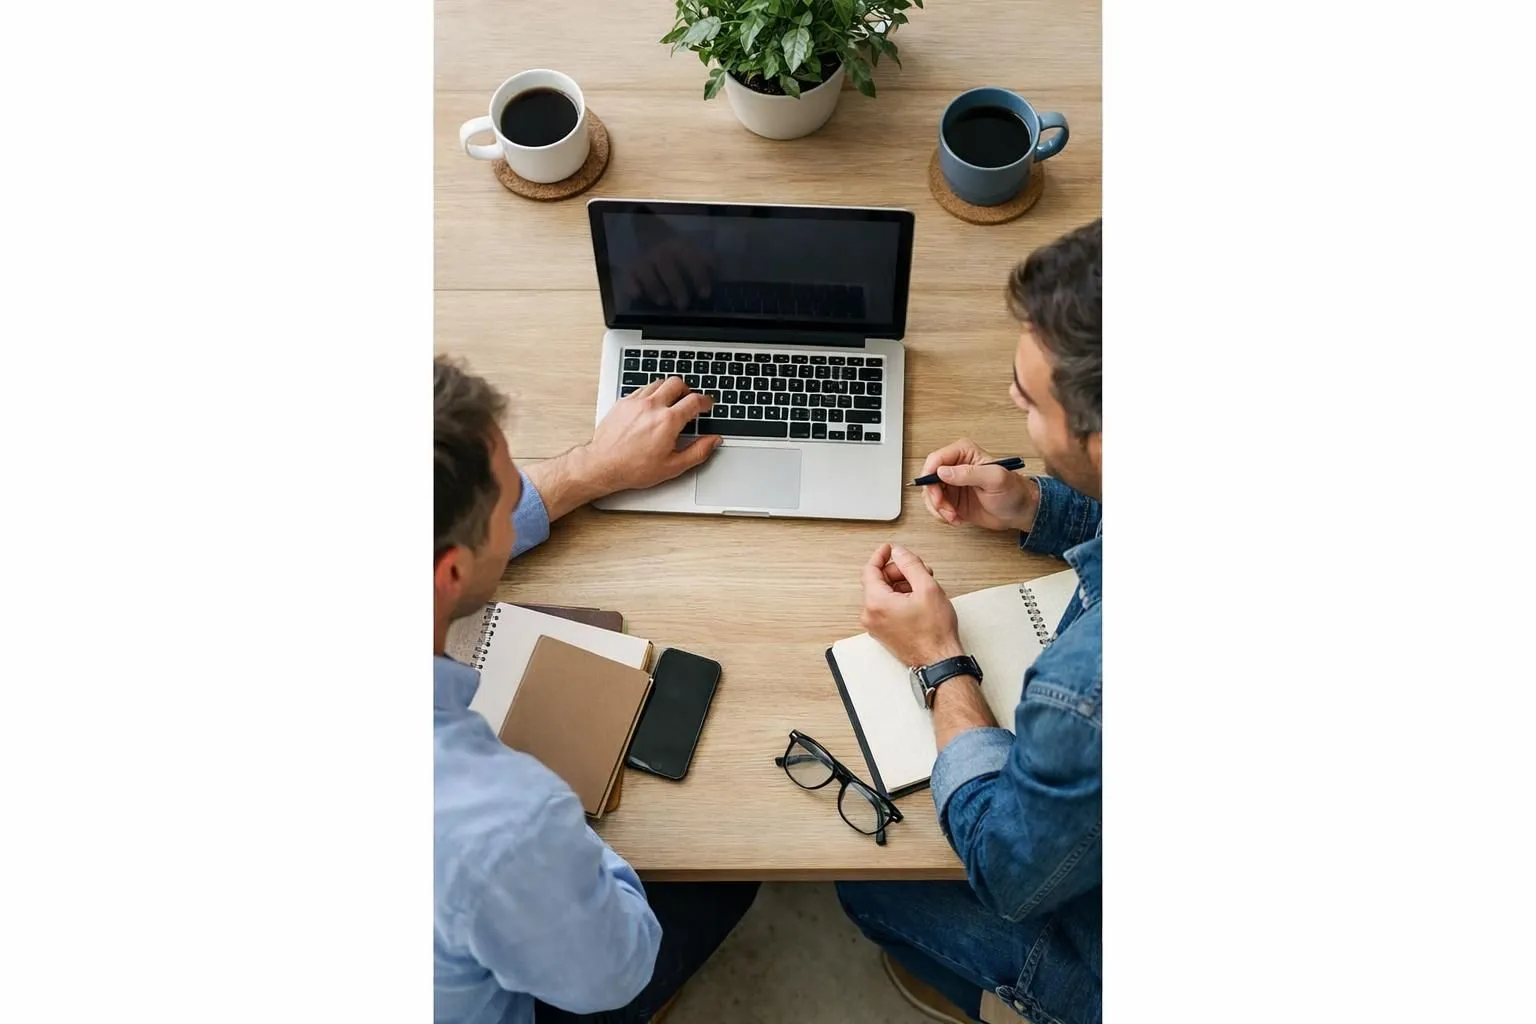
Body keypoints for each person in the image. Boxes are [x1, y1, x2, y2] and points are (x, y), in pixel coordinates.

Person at [433, 357, 758, 1024]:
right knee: (727, 881)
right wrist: (553, 821)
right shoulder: (507, 826)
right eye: (508, 490)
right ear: (451, 571)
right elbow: (617, 969)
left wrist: (586, 471)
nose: (525, 484)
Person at [836, 220, 1103, 1024]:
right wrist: (1037, 506)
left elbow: (1006, 868)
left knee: (864, 885)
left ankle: (997, 1001)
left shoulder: (1085, 693)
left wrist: (940, 661)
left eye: (1028, 398)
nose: (1014, 409)